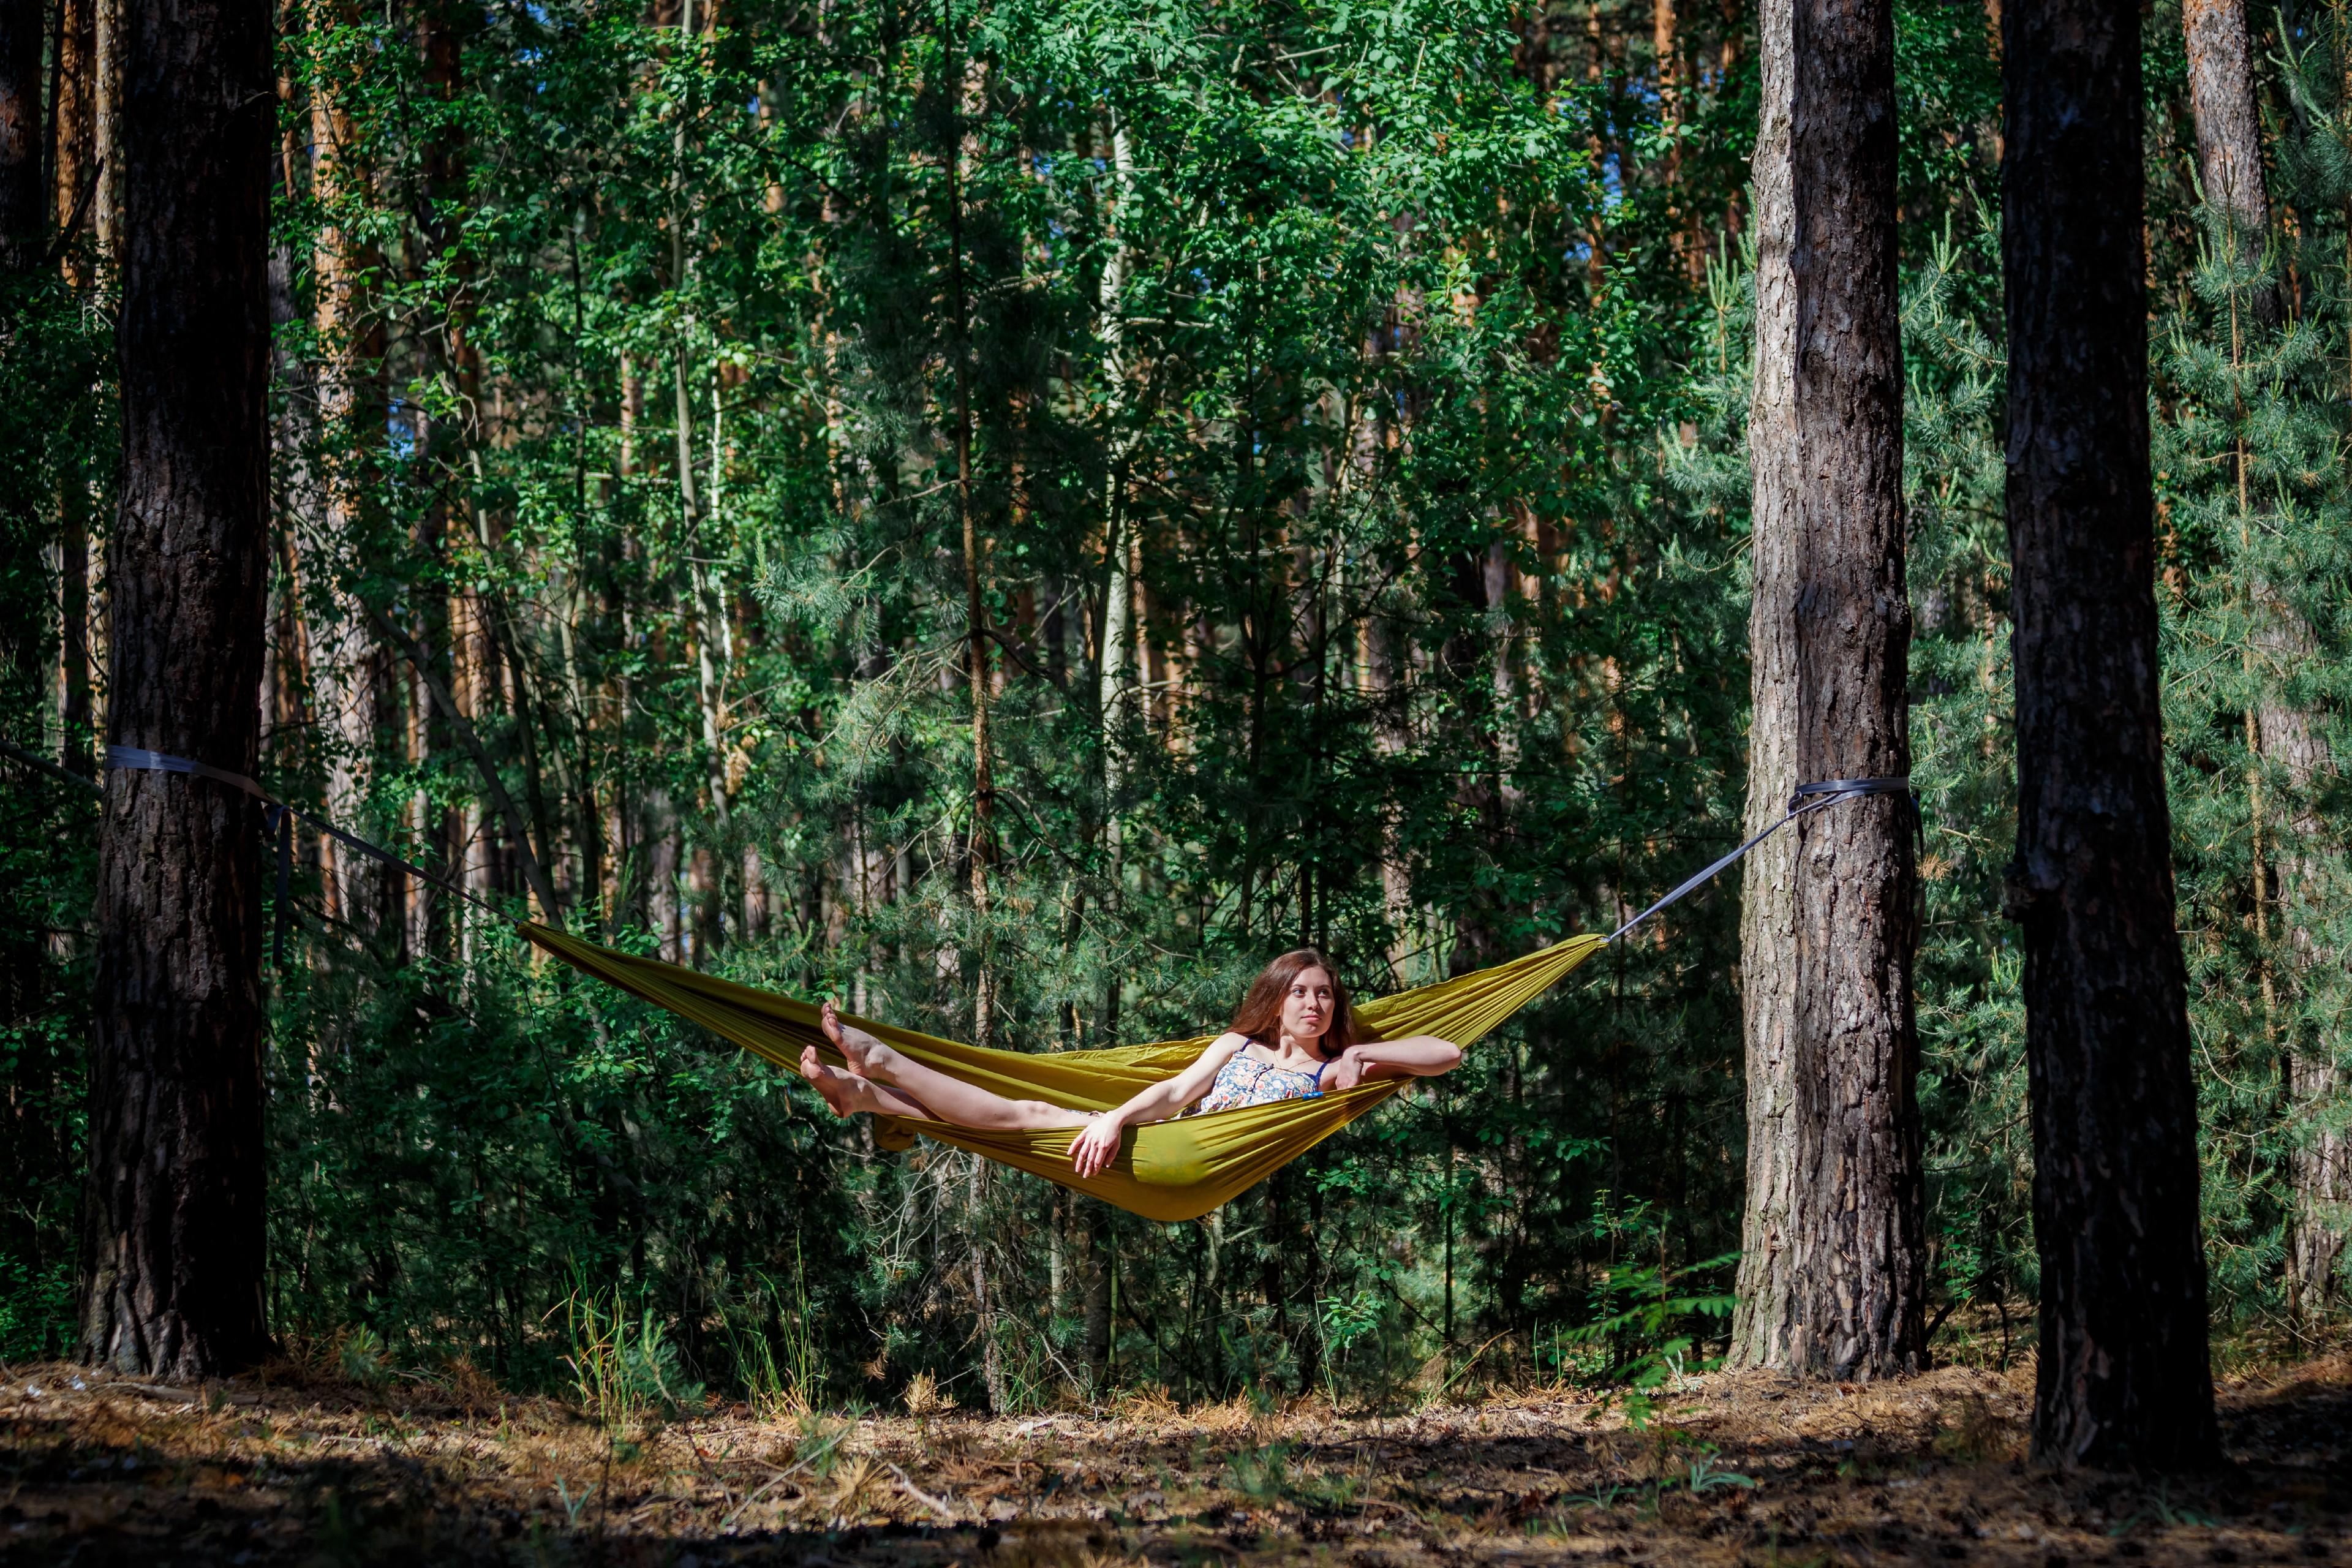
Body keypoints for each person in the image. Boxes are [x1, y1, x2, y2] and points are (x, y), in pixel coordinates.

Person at [799, 948, 1463, 1177]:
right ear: (1277, 1000)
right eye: (1299, 992)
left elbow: (1447, 1052)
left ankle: (881, 1063)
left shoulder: (1331, 1072)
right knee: (1021, 1123)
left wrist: (1365, 1050)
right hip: (1166, 1141)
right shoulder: (1240, 1045)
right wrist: (1115, 1117)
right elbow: (1174, 1091)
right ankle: (869, 1093)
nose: (1313, 1004)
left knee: (1029, 1116)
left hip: (1198, 1164)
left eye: (1324, 994)